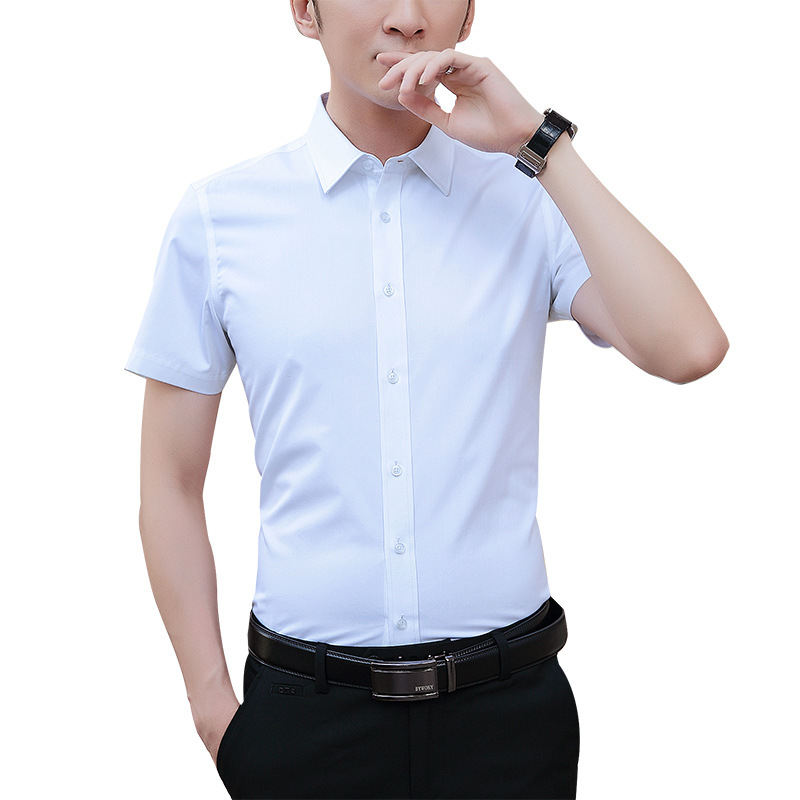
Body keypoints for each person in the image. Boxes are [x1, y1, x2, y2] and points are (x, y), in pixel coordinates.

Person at [125, 1, 728, 797]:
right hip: (304, 722)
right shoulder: (218, 219)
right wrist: (215, 713)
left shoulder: (529, 195)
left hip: (508, 722)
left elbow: (690, 347)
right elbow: (169, 483)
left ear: (468, 14)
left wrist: (538, 142)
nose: (407, 17)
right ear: (305, 10)